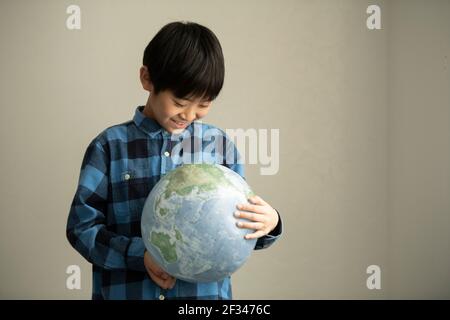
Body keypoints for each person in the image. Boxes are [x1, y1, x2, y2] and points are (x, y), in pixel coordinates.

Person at [66, 21, 282, 300]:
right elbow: (81, 227)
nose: (190, 115)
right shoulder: (109, 147)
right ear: (147, 79)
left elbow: (239, 226)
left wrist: (270, 223)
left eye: (203, 105)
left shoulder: (219, 147)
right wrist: (139, 256)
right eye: (180, 102)